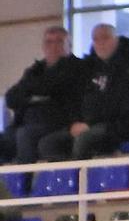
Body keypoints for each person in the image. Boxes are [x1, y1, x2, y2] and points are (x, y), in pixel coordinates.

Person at [44, 24, 129, 160]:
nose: (100, 43)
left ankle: (79, 178)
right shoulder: (88, 67)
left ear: (115, 39)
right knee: (49, 143)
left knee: (84, 140)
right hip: (90, 124)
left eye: (105, 38)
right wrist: (74, 122)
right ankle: (60, 179)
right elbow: (76, 98)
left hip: (124, 125)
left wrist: (89, 124)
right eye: (96, 39)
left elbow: (121, 103)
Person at [5, 25, 84, 165]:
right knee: (6, 139)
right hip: (27, 122)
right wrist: (34, 98)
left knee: (25, 135)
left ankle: (25, 183)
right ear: (43, 46)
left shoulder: (77, 67)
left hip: (59, 122)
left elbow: (54, 88)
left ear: (69, 45)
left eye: (59, 41)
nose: (53, 46)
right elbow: (11, 98)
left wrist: (29, 96)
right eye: (49, 42)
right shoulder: (35, 70)